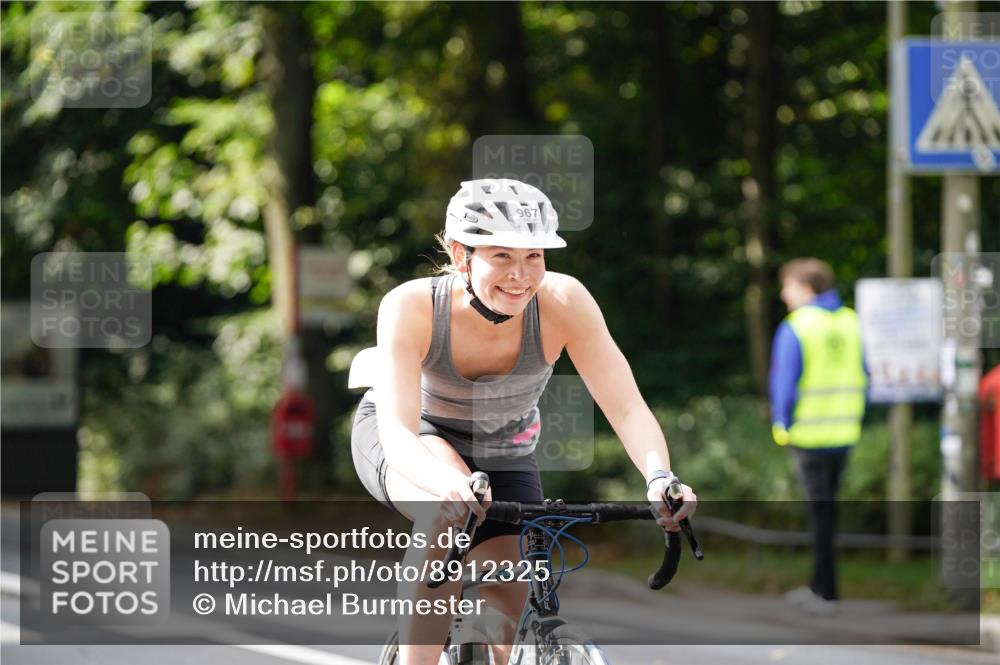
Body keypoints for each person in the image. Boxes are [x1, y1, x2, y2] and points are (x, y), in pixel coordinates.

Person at [351, 178, 697, 665]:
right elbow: (400, 434)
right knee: (446, 518)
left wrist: (660, 475)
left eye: (534, 256)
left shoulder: (564, 302)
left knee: (508, 596)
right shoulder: (411, 306)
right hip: (415, 436)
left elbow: (626, 407)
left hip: (502, 446)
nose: (520, 275)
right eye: (502, 256)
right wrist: (448, 486)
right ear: (460, 255)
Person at [770, 257, 867, 615]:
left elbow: (784, 383)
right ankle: (822, 587)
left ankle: (825, 592)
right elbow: (866, 372)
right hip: (844, 432)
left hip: (808, 436)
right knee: (827, 515)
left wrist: (781, 425)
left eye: (789, 287)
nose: (784, 295)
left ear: (807, 288)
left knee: (819, 517)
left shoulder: (798, 325)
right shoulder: (851, 321)